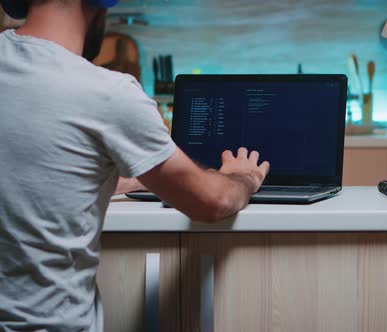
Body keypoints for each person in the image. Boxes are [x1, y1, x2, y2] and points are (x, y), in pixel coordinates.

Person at [0, 0, 270, 330]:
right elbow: (212, 202)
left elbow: (37, 172)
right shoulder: (107, 93)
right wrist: (242, 176)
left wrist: (144, 178)